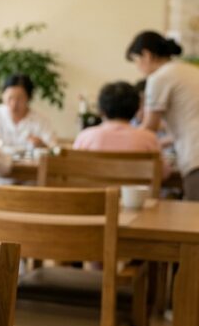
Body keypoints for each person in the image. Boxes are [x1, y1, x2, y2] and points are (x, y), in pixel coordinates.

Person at [127, 30, 199, 200]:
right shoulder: (188, 70)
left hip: (196, 159)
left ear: (146, 55)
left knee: (193, 220)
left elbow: (149, 127)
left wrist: (124, 145)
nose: (138, 68)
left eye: (136, 61)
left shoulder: (160, 78)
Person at [73, 81, 160, 153]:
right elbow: (162, 170)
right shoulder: (149, 138)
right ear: (136, 109)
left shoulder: (85, 137)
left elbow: (72, 167)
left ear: (100, 110)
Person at [0, 74, 57, 150]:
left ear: (29, 98)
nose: (14, 104)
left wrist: (42, 145)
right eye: (10, 98)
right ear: (2, 95)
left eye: (19, 99)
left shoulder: (41, 121)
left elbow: (54, 149)